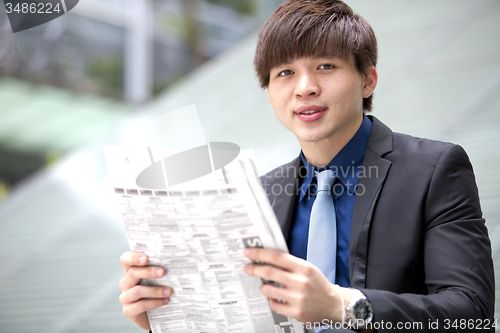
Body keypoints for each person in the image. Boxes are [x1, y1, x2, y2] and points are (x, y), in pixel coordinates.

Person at [119, 1, 495, 332]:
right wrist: (166, 317)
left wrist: (343, 308)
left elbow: (472, 315)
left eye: (326, 66)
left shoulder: (433, 170)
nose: (305, 87)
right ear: (268, 91)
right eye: (284, 73)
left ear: (368, 80)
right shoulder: (256, 194)